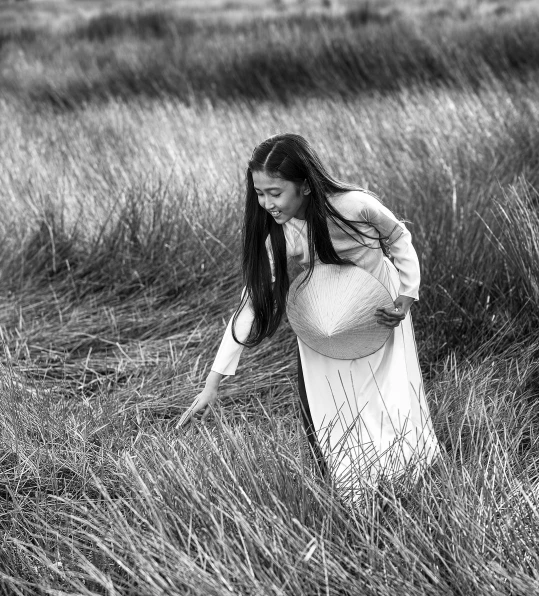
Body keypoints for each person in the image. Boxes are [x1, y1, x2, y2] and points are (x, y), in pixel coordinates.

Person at [177, 133, 440, 493]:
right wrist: (212, 383)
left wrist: (406, 297)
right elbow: (251, 303)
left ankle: (402, 479)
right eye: (259, 193)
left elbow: (399, 238)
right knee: (323, 406)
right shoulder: (280, 235)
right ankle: (348, 489)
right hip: (323, 320)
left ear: (303, 186)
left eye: (275, 192)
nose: (266, 203)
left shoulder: (354, 205)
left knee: (384, 399)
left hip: (380, 312)